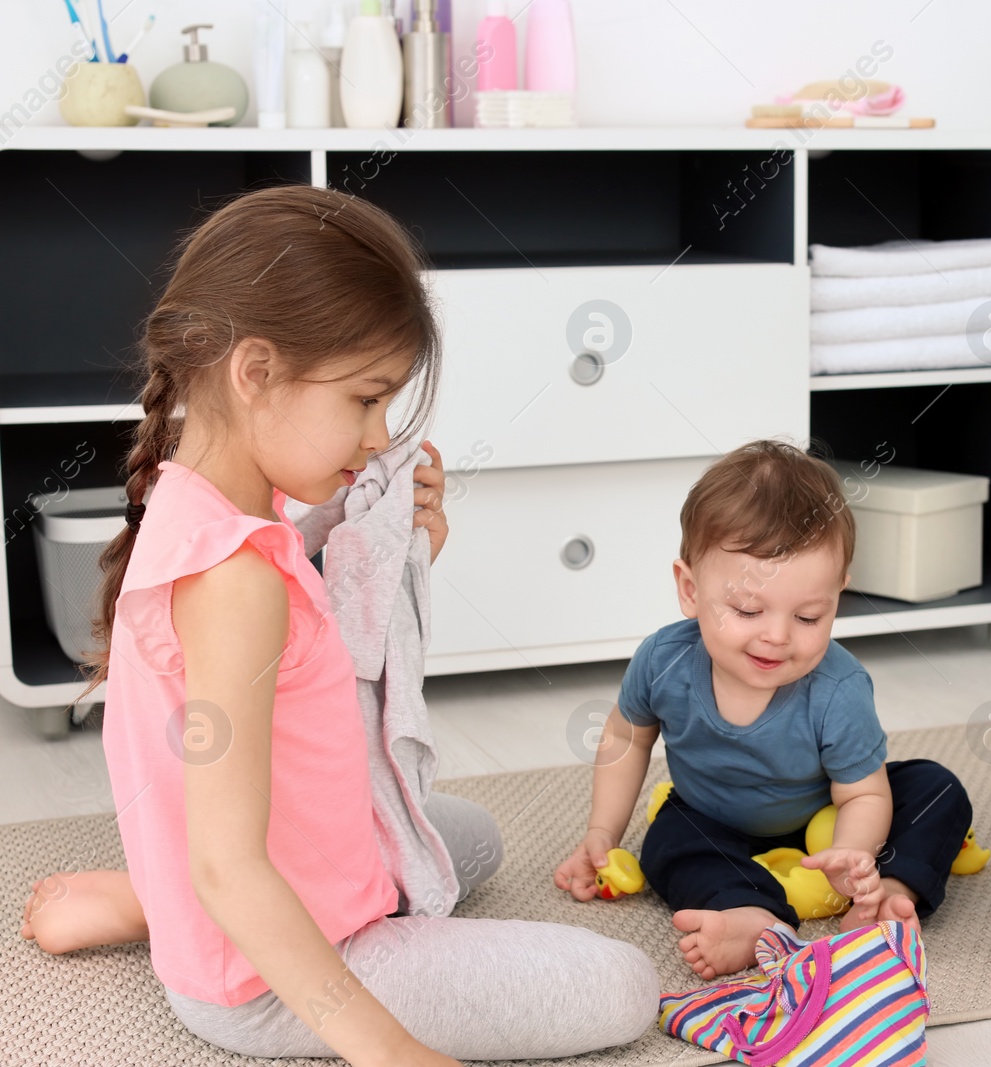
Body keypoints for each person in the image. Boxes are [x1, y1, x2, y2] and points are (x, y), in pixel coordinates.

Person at [18, 185, 657, 1064]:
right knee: (624, 985)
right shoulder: (234, 580)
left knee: (468, 834)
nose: (379, 434)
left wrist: (402, 544)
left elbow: (314, 644)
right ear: (255, 372)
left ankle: (154, 896)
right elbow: (233, 863)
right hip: (260, 979)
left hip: (264, 872)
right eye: (365, 399)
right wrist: (391, 1051)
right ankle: (182, 906)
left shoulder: (209, 496)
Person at [553, 440, 974, 979]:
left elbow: (864, 792)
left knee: (936, 789)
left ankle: (889, 894)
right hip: (711, 815)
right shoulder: (663, 660)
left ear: (837, 597)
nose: (777, 637)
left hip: (827, 813)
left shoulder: (838, 689)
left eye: (808, 617)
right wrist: (602, 833)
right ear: (689, 589)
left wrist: (850, 855)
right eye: (749, 609)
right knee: (668, 842)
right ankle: (750, 914)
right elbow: (627, 738)